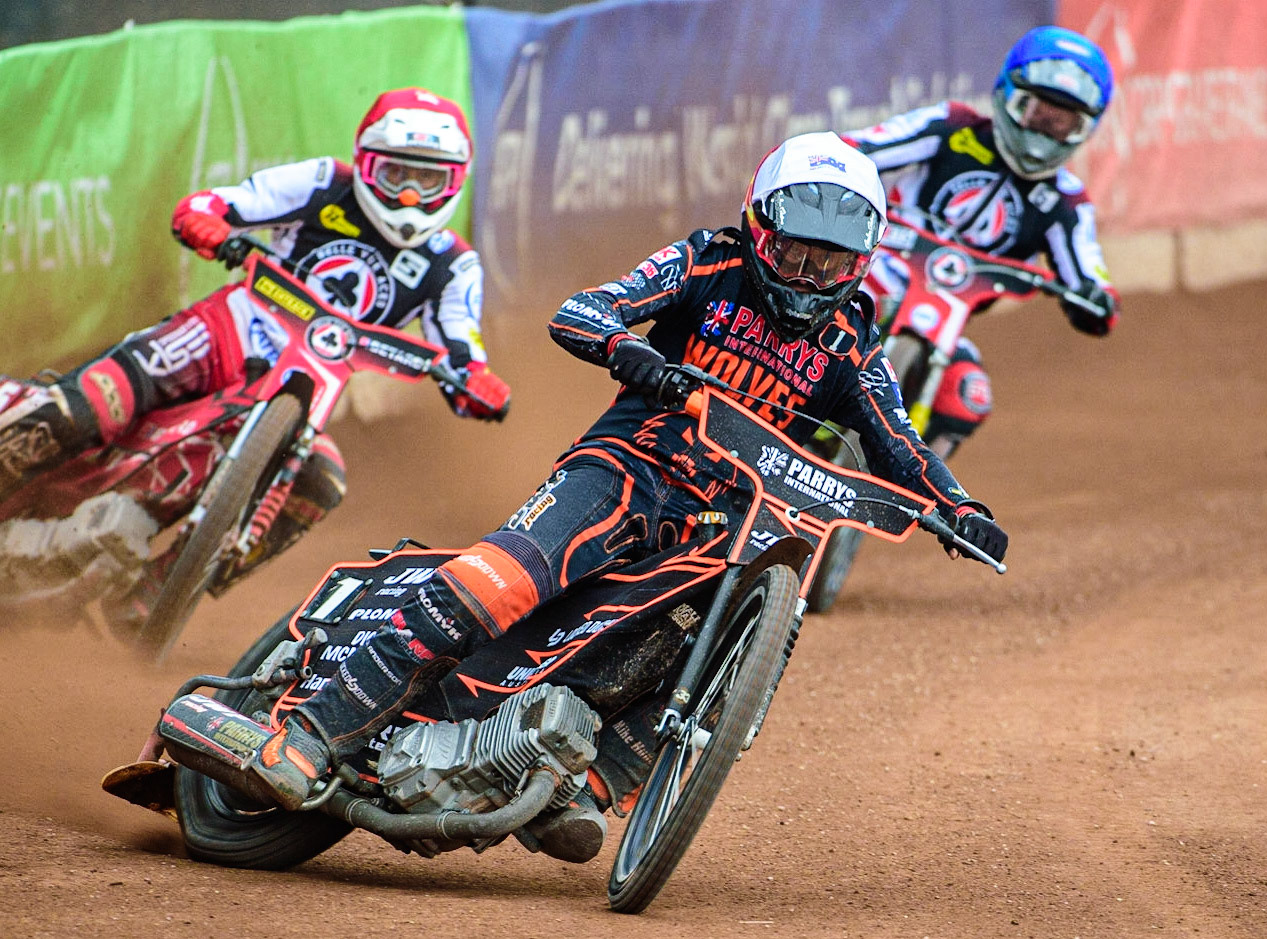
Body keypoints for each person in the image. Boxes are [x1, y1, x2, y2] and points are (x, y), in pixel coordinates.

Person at [242, 132, 1008, 863]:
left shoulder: (852, 341)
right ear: (757, 226)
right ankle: (312, 729)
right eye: (792, 253)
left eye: (829, 261)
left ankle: (578, 780)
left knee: (715, 645)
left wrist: (961, 508)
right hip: (625, 465)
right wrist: (638, 358)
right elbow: (584, 309)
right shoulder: (707, 264)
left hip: (720, 516)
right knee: (500, 580)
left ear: (861, 261)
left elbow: (897, 443)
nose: (807, 277)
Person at [0, 86, 511, 585]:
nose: (409, 198)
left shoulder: (454, 263)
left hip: (305, 394)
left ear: (453, 183)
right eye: (396, 175)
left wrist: (475, 384)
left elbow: (462, 347)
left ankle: (158, 594)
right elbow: (217, 203)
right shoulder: (319, 184)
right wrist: (210, 224)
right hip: (222, 333)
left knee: (324, 479)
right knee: (86, 407)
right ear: (366, 164)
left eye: (429, 182)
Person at [841, 25, 1120, 456]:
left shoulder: (1066, 205)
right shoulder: (951, 128)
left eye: (1061, 123)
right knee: (866, 305)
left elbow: (1090, 272)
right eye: (1038, 113)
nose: (1044, 133)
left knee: (969, 395)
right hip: (867, 276)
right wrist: (829, 170)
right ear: (1009, 96)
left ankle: (899, 498)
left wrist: (1095, 298)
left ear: (1084, 130)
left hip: (944, 323)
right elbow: (857, 150)